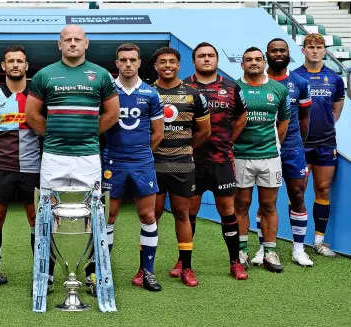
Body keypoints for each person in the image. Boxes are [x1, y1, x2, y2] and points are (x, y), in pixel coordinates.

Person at [25, 24, 119, 296]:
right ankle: (46, 276)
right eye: (68, 40)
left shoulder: (100, 75)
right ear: (60, 44)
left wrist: (86, 134)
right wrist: (55, 134)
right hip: (53, 156)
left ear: (86, 43)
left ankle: (91, 274)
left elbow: (112, 114)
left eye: (78, 39)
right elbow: (32, 115)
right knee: (47, 214)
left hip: (89, 156)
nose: (73, 43)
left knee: (94, 216)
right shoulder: (45, 75)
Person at [0, 45, 45, 291]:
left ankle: (41, 272)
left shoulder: (38, 98)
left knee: (36, 219)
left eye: (20, 61)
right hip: (2, 168)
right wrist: (1, 149)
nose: (15, 65)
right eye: (10, 61)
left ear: (26, 66)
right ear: (4, 67)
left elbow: (46, 131)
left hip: (33, 168)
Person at [101, 43, 164, 291]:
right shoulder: (107, 93)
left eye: (132, 60)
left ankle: (147, 272)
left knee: (148, 216)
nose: (128, 64)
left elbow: (158, 133)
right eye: (123, 60)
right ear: (116, 64)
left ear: (139, 63)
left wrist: (141, 154)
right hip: (112, 162)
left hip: (142, 162)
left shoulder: (151, 94)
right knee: (108, 216)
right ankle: (102, 271)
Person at [183, 42, 249, 280]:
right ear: (194, 61)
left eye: (211, 55)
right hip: (191, 161)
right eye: (201, 56)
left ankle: (235, 262)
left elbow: (242, 116)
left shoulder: (232, 87)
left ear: (217, 60)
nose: (207, 59)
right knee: (189, 212)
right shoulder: (184, 87)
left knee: (228, 211)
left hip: (222, 159)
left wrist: (229, 140)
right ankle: (184, 262)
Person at [152, 46, 210, 287]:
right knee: (150, 217)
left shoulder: (194, 95)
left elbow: (204, 131)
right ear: (155, 66)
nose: (167, 65)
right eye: (162, 62)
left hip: (182, 165)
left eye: (172, 61)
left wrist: (183, 150)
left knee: (182, 214)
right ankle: (146, 269)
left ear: (179, 65)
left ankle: (186, 267)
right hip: (153, 165)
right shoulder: (147, 93)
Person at [234, 47, 290, 273]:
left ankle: (269, 252)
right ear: (242, 64)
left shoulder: (278, 89)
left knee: (268, 205)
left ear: (264, 62)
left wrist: (274, 145)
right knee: (242, 205)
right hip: (240, 155)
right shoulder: (234, 88)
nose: (253, 63)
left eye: (258, 59)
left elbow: (283, 123)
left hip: (269, 157)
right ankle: (242, 251)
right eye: (249, 60)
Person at [294, 33, 345, 257]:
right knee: (297, 192)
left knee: (323, 190)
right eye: (310, 46)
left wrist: (324, 125)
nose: (315, 50)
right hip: (299, 145)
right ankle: (297, 243)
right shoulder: (294, 77)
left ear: (325, 51)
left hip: (325, 144)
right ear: (303, 50)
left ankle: (319, 241)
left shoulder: (335, 78)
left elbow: (336, 109)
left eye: (319, 47)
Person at [265, 38, 314, 267]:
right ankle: (264, 249)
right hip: (264, 147)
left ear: (288, 53)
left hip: (293, 148)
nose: (278, 53)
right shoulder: (256, 81)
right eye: (273, 50)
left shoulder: (300, 82)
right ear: (267, 54)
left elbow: (305, 117)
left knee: (297, 195)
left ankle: (298, 249)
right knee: (267, 199)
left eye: (282, 50)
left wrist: (299, 144)